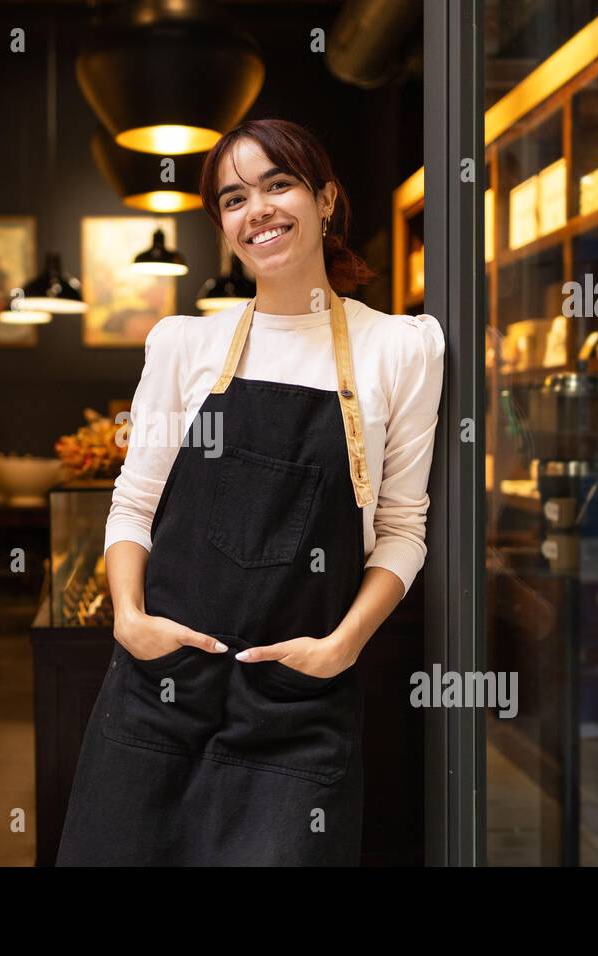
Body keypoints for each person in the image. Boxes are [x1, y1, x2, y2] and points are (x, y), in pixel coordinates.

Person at [55, 118, 445, 866]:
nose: (256, 209)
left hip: (296, 712)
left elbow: (401, 528)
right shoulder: (183, 345)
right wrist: (131, 621)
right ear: (223, 225)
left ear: (325, 199)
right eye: (234, 198)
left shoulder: (399, 348)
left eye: (278, 185)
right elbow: (133, 505)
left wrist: (341, 647)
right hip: (159, 696)